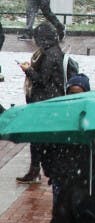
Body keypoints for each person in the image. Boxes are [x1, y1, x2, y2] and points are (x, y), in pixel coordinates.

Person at [15, 22, 66, 184]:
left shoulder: (51, 55)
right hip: (47, 100)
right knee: (38, 139)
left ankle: (41, 170)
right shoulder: (53, 51)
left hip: (45, 102)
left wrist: (28, 70)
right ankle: (37, 168)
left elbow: (42, 81)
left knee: (38, 140)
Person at [41, 73, 92, 206]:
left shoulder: (91, 118)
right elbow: (46, 145)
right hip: (61, 176)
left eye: (79, 94)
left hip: (84, 178)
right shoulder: (59, 118)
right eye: (71, 93)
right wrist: (50, 170)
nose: (74, 98)